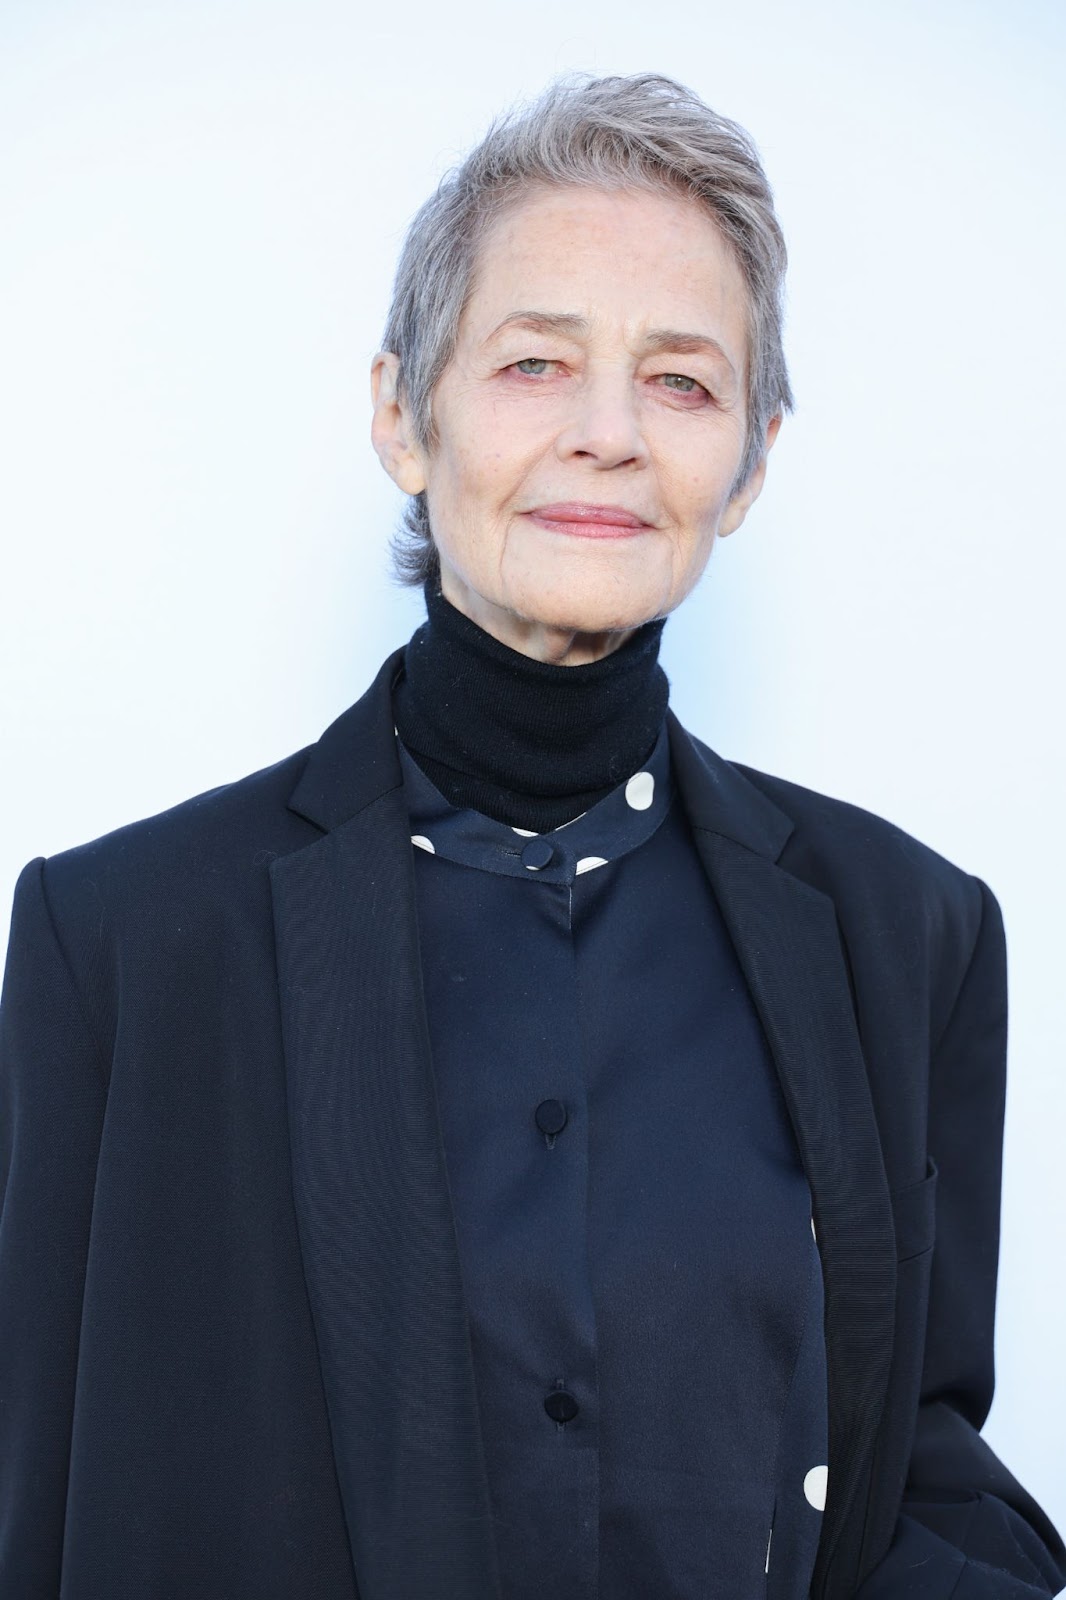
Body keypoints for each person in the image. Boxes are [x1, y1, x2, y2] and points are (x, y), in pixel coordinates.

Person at [0, 69, 1061, 1600]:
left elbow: (920, 1457)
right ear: (401, 416)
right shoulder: (121, 944)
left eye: (683, 383)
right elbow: (39, 1509)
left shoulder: (912, 933)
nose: (609, 434)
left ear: (751, 462)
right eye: (533, 363)